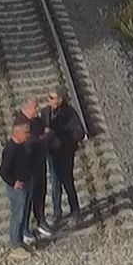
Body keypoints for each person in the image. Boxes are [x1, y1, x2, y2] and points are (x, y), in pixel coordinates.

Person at [0, 110, 46, 248]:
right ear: (17, 133)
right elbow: (3, 170)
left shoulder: (23, 145)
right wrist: (13, 182)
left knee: (24, 214)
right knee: (18, 216)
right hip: (18, 188)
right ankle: (15, 244)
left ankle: (21, 240)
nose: (29, 135)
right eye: (26, 133)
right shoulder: (11, 149)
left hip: (27, 182)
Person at [38, 88, 85, 231]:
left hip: (65, 153)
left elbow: (79, 133)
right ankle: (57, 211)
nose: (49, 100)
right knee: (54, 181)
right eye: (48, 97)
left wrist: (62, 140)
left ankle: (75, 210)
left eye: (52, 97)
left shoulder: (69, 113)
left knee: (67, 181)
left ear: (60, 99)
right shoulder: (46, 112)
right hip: (52, 153)